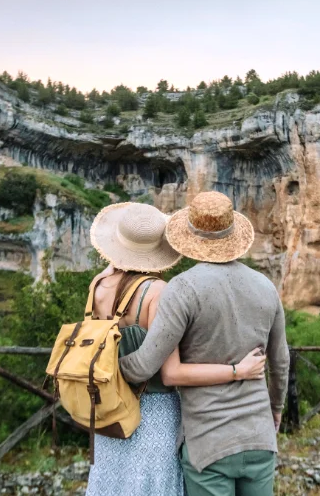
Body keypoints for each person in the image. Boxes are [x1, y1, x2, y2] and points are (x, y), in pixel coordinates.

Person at [84, 201, 268, 496]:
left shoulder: (98, 284)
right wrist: (236, 371)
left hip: (108, 406)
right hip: (151, 413)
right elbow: (172, 373)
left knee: (115, 483)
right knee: (154, 485)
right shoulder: (158, 292)